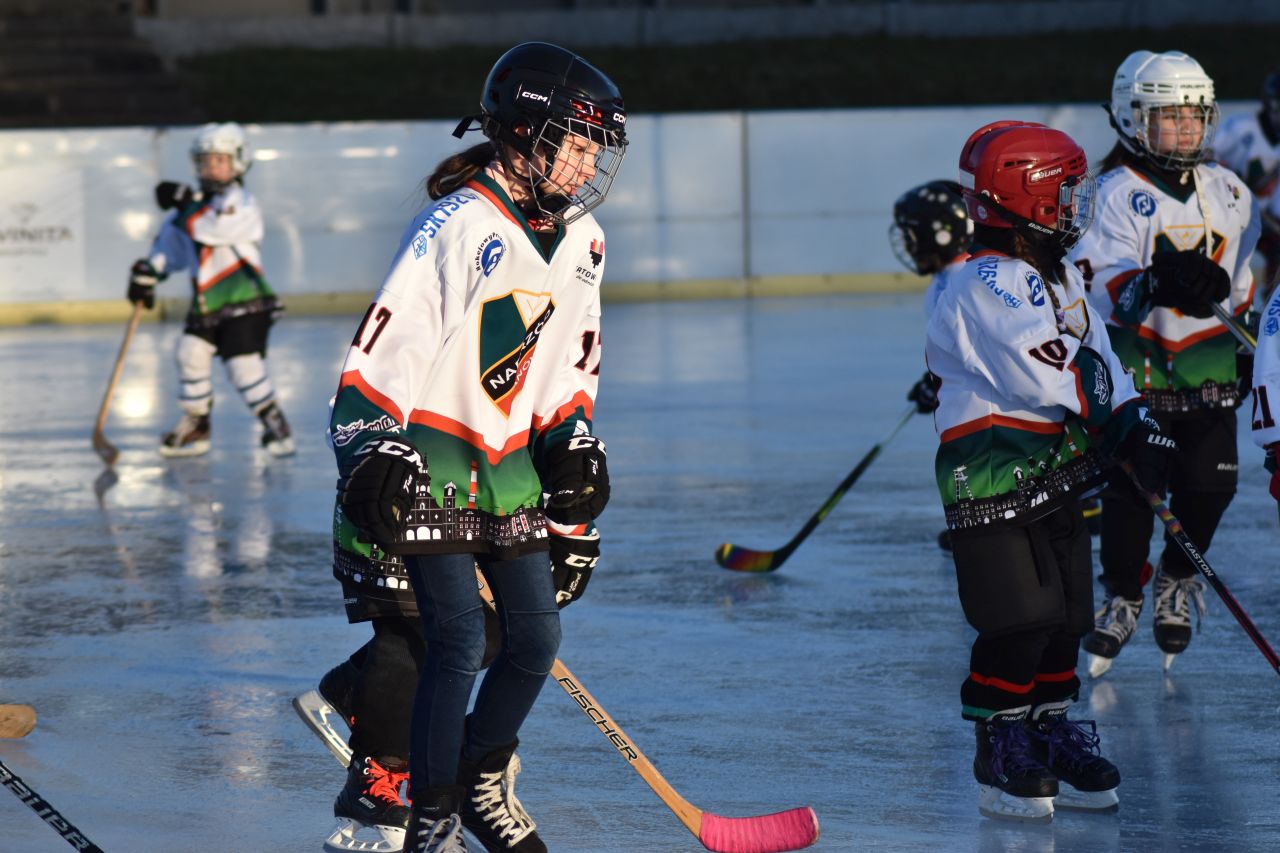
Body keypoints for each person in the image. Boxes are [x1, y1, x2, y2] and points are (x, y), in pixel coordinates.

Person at [327, 41, 625, 853]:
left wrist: (571, 446)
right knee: (443, 640)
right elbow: (382, 353)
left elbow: (567, 370)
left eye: (596, 146)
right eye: (574, 141)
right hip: (428, 465)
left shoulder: (584, 239)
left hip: (505, 472)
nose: (589, 162)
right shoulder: (458, 224)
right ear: (523, 133)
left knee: (532, 639)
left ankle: (478, 773)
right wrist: (371, 444)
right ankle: (416, 809)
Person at [927, 119, 1172, 821]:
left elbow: (1103, 355)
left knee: (1065, 617)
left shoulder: (1058, 271)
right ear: (1023, 197)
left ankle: (1048, 729)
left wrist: (1136, 420)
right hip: (991, 477)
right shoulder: (984, 280)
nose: (1077, 203)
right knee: (1018, 619)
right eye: (1066, 191)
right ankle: (1000, 744)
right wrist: (1111, 412)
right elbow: (1044, 373)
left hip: (1057, 470)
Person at [1071, 51, 1260, 675]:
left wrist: (1246, 342)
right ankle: (1122, 594)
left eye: (1193, 116)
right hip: (1137, 377)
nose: (1184, 129)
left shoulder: (1231, 192)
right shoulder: (1109, 195)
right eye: (1169, 117)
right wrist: (1158, 281)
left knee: (1212, 486)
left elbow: (1241, 287)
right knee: (1133, 493)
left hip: (1208, 373)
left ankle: (1177, 577)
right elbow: (1109, 295)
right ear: (1132, 118)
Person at [127, 121, 294, 458]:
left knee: (243, 367)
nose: (211, 167)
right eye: (205, 161)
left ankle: (275, 424)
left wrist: (186, 204)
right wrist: (149, 271)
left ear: (239, 162)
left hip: (245, 301)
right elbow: (171, 247)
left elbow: (215, 229)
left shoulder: (241, 202)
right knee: (189, 353)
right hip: (206, 305)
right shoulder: (191, 207)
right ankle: (197, 426)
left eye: (220, 160)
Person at [889, 179, 972, 551]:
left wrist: (940, 383)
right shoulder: (944, 281)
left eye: (913, 235)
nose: (908, 246)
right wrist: (935, 379)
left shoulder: (967, 280)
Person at [1213, 72, 1280, 295]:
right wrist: (1231, 182)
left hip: (1259, 217)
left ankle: (1272, 302)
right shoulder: (1240, 127)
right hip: (1225, 212)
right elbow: (1206, 157)